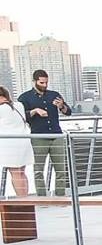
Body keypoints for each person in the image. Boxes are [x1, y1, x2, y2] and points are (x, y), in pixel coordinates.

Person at [21, 69, 70, 197]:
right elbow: (22, 117)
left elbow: (68, 111)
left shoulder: (54, 94)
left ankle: (60, 196)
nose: (44, 85)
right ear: (34, 81)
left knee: (60, 169)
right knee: (38, 170)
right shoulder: (25, 98)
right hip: (38, 137)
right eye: (41, 83)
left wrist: (61, 106)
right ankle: (42, 197)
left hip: (56, 135)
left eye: (46, 83)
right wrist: (35, 111)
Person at [0, 85, 29, 197]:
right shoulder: (19, 105)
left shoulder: (2, 109)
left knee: (15, 174)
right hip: (23, 142)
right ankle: (26, 199)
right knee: (21, 173)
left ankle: (22, 201)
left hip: (10, 146)